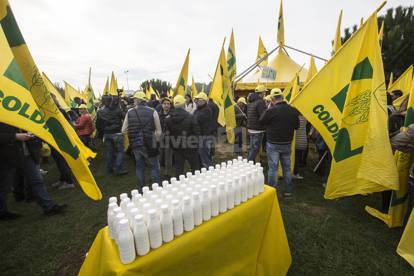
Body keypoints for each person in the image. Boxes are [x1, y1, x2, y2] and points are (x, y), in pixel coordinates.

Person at [0, 123, 67, 220]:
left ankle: (48, 207)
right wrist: (15, 136)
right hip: (7, 158)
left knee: (37, 181)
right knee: (4, 186)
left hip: (26, 155)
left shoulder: (20, 110)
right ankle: (2, 212)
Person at [259, 91, 299, 197]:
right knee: (286, 167)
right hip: (286, 143)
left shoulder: (271, 111)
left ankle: (273, 191)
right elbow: (297, 126)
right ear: (282, 98)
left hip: (273, 143)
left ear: (272, 100)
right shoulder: (293, 110)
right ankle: (288, 190)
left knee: (273, 168)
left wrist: (268, 109)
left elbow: (261, 121)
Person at [122, 91, 162, 189]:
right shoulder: (153, 111)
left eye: (135, 99)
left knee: (140, 166)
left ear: (138, 100)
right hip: (150, 142)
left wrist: (133, 134)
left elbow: (123, 130)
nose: (134, 101)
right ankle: (157, 189)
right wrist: (156, 141)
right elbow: (159, 131)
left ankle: (141, 189)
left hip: (136, 144)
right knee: (154, 166)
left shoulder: (129, 112)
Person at [166, 95, 201, 176]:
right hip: (191, 146)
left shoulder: (168, 119)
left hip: (177, 147)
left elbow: (167, 135)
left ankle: (179, 184)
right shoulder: (191, 117)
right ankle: (198, 184)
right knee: (195, 167)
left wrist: (173, 145)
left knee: (179, 169)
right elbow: (197, 133)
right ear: (184, 104)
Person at [96, 95, 128, 176]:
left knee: (110, 151)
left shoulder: (100, 111)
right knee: (120, 152)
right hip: (117, 133)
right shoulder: (117, 110)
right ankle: (118, 169)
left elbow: (98, 125)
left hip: (107, 134)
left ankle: (109, 168)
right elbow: (125, 117)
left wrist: (102, 132)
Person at [246, 85, 267, 162]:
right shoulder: (260, 102)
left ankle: (252, 163)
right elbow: (263, 116)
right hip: (258, 129)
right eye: (264, 92)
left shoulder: (250, 101)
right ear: (261, 93)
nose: (264, 94)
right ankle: (249, 163)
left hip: (251, 127)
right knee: (255, 149)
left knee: (252, 147)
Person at [194, 92, 213, 169]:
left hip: (205, 137)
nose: (196, 101)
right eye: (196, 100)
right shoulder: (198, 110)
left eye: (198, 100)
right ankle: (203, 171)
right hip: (200, 136)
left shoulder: (207, 110)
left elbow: (195, 119)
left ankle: (210, 172)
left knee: (205, 157)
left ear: (204, 101)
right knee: (200, 156)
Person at [158, 97, 174, 180]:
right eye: (165, 104)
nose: (166, 105)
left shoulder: (173, 115)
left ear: (170, 105)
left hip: (169, 139)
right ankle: (158, 173)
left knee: (168, 156)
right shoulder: (158, 114)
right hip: (160, 138)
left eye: (168, 104)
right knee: (159, 156)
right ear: (162, 105)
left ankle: (168, 173)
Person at [293, 113, 308, 179]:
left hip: (296, 141)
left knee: (295, 159)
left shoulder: (295, 118)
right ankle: (296, 172)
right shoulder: (305, 118)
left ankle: (295, 172)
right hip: (303, 141)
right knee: (298, 158)